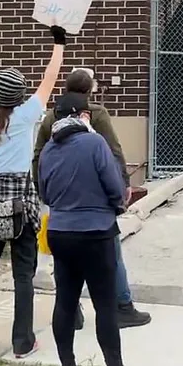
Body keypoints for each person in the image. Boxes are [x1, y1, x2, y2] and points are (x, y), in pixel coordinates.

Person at [38, 92, 154, 366]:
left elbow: (45, 192)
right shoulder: (94, 143)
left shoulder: (49, 148)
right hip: (96, 233)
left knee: (65, 302)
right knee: (105, 306)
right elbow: (116, 188)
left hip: (60, 232)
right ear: (82, 115)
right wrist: (116, 204)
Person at [0, 25, 66, 357]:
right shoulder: (27, 116)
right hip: (22, 204)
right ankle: (23, 343)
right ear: (21, 96)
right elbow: (50, 78)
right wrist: (58, 43)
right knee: (24, 274)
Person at [33, 67, 151, 329]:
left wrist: (43, 191)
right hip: (94, 198)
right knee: (112, 254)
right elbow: (113, 149)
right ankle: (122, 307)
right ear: (90, 90)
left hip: (60, 199)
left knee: (64, 259)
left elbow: (38, 156)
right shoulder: (96, 114)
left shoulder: (51, 117)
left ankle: (70, 310)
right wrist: (123, 185)